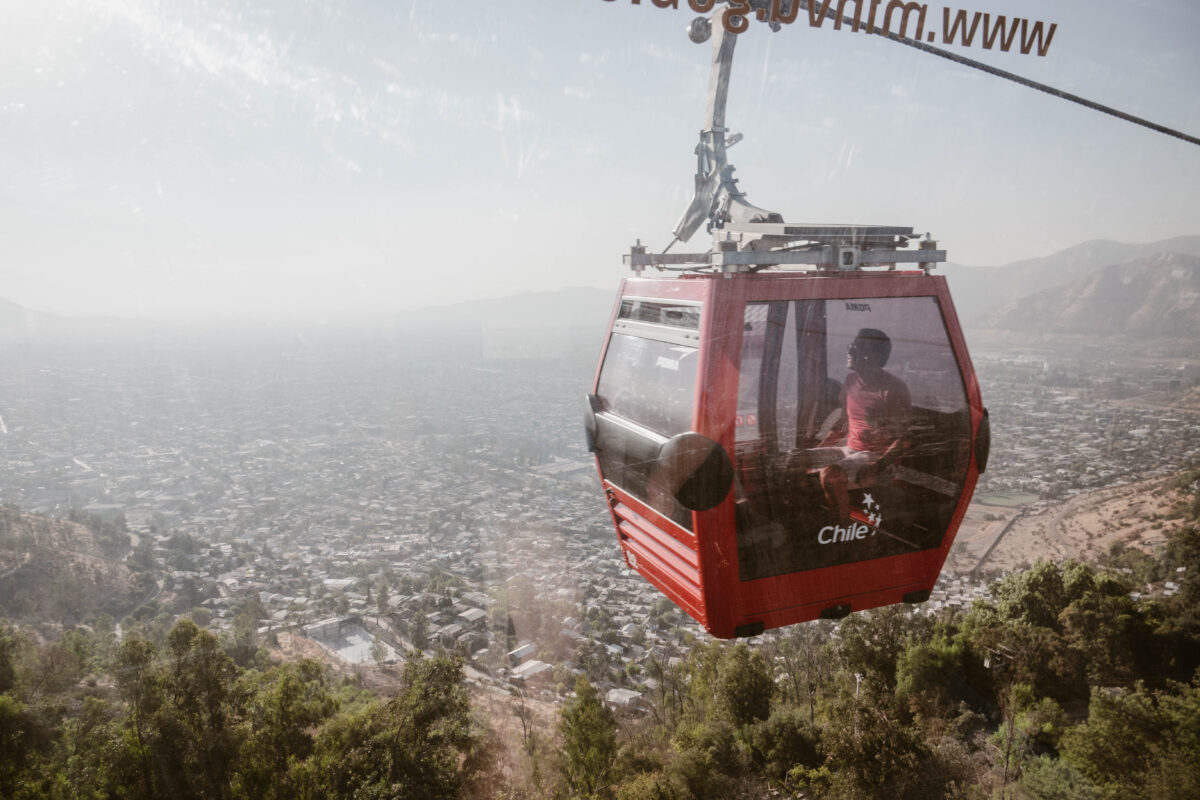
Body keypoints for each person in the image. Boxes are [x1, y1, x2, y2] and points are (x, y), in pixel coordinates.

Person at [791, 328, 910, 526]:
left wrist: (877, 466)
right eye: (850, 346)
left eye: (855, 347)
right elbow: (844, 422)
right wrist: (820, 448)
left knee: (830, 476)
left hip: (877, 458)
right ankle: (806, 520)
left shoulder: (893, 389)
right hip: (850, 451)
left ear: (874, 355)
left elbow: (904, 438)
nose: (849, 351)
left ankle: (841, 529)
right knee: (793, 461)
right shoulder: (851, 381)